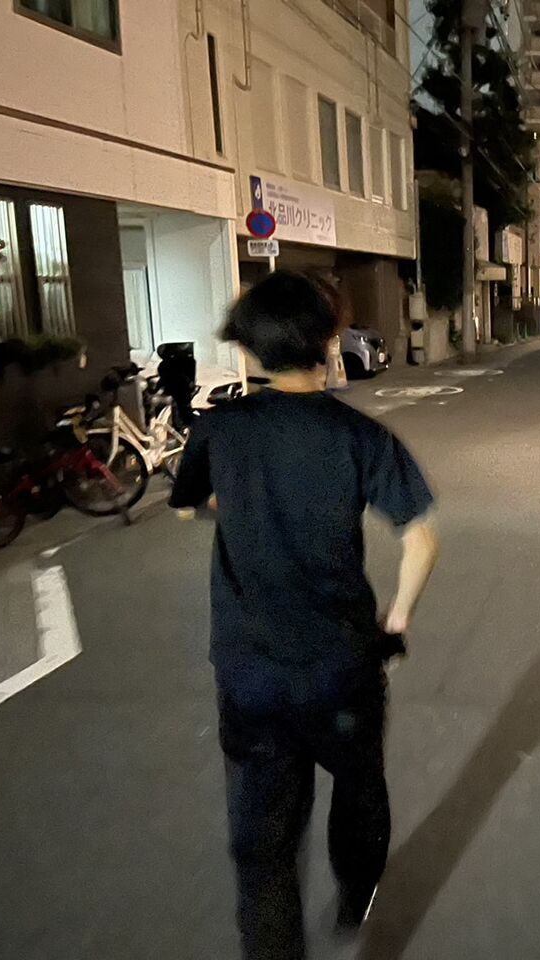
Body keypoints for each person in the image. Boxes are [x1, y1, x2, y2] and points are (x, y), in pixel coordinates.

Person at [169, 271, 439, 960]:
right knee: (359, 789)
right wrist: (397, 619)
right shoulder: (358, 434)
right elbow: (421, 539)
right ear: (328, 342)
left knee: (261, 837)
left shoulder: (219, 429)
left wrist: (238, 510)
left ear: (249, 348)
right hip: (342, 666)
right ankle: (357, 894)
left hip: (250, 670)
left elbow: (189, 506)